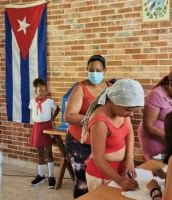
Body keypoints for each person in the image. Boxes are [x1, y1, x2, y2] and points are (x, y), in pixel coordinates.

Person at [64, 55, 112, 198]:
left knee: (100, 183)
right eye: (91, 70)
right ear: (87, 70)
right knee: (82, 184)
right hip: (80, 144)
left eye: (98, 70)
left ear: (104, 70)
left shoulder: (110, 88)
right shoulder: (81, 88)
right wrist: (94, 119)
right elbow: (69, 116)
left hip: (103, 143)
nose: (95, 73)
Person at [84, 79, 144, 191]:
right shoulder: (99, 122)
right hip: (101, 173)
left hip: (119, 168)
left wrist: (129, 158)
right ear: (115, 101)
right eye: (129, 110)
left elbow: (129, 132)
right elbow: (98, 158)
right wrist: (119, 180)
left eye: (133, 111)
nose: (130, 114)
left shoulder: (122, 113)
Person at [138, 69, 172, 160]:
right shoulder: (157, 94)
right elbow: (148, 126)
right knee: (158, 168)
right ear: (170, 84)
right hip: (155, 138)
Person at [29, 78, 60, 189]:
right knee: (40, 153)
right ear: (35, 92)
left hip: (46, 127)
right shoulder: (32, 101)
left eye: (44, 90)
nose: (41, 92)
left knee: (48, 152)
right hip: (37, 128)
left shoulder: (50, 101)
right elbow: (33, 113)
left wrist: (52, 118)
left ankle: (51, 177)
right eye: (39, 90)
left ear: (46, 91)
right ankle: (40, 175)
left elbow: (58, 109)